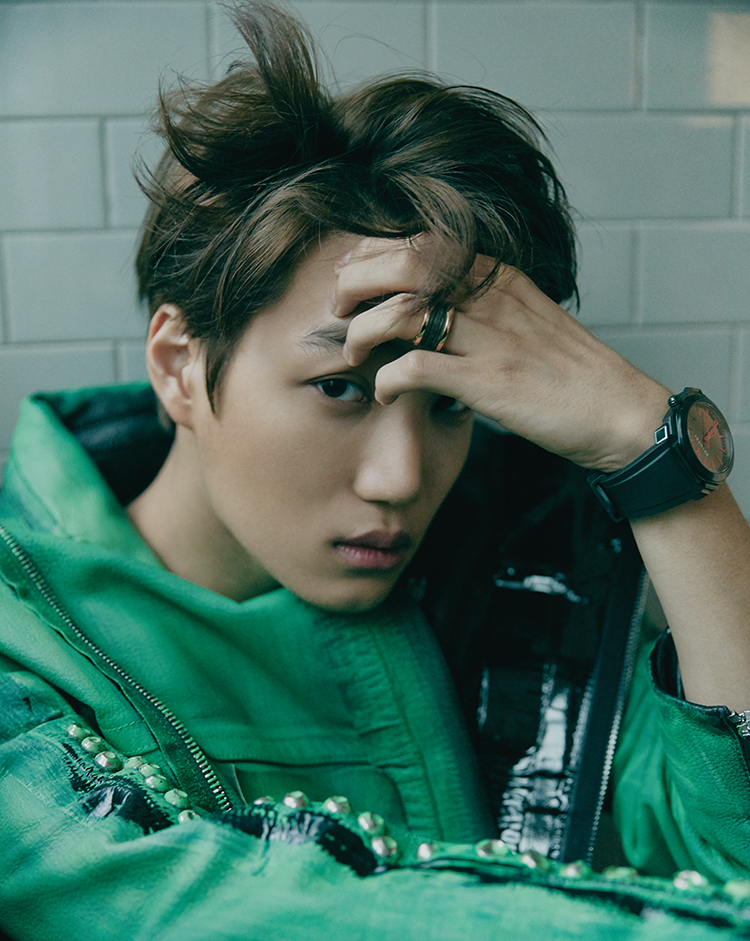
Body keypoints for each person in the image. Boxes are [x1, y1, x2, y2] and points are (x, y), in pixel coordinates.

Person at [2, 3, 750, 938]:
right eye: (338, 387)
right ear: (178, 365)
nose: (400, 479)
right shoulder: (22, 632)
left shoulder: (514, 559)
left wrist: (656, 454)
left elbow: (733, 853)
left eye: (449, 404)